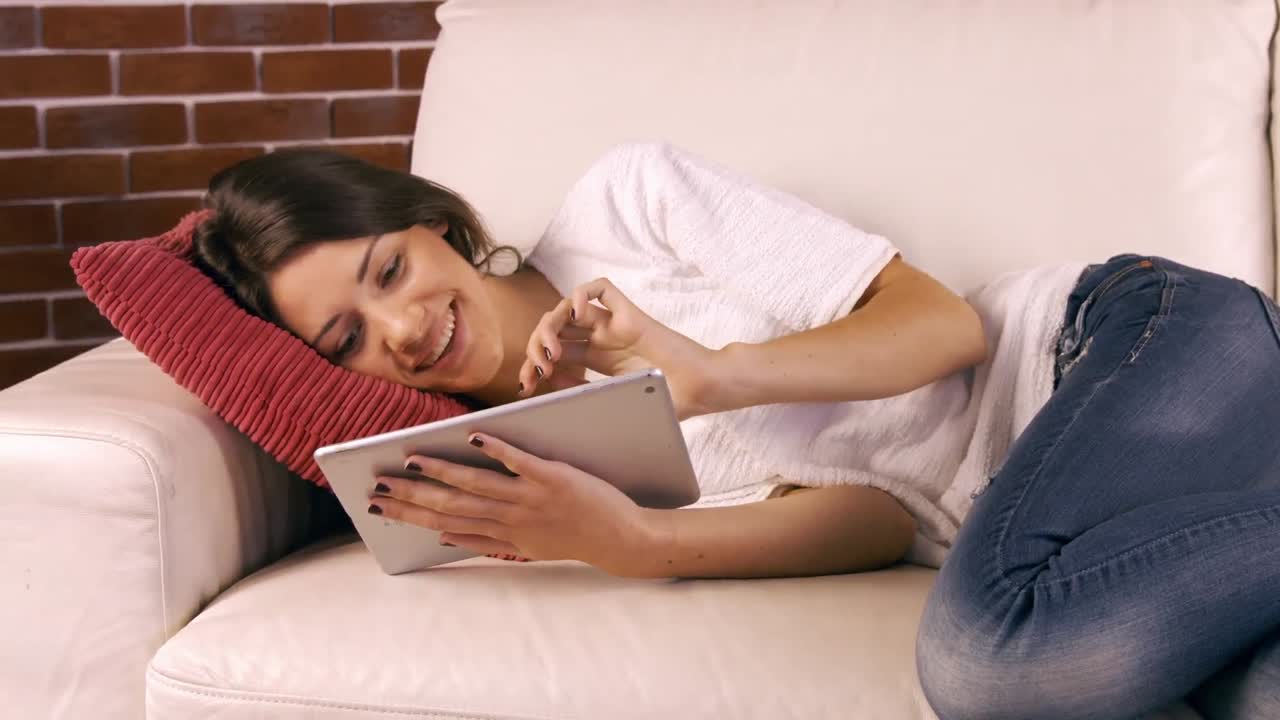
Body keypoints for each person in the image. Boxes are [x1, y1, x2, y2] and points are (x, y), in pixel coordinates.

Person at [194, 143, 1280, 719]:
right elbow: (872, 516)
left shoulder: (625, 203)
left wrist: (709, 375)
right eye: (344, 340)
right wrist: (626, 543)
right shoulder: (530, 472)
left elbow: (941, 329)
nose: (400, 329)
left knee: (986, 669)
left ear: (433, 225)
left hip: (1119, 345)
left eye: (389, 271)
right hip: (1086, 529)